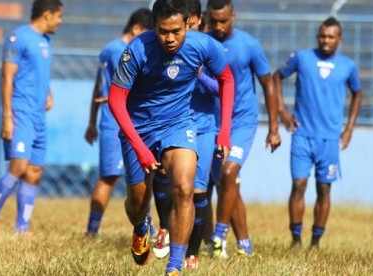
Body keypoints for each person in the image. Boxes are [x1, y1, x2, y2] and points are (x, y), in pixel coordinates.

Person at [107, 0, 235, 274]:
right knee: (137, 205)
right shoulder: (137, 50)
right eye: (163, 31)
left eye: (176, 30)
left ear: (188, 23)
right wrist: (139, 147)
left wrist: (224, 130)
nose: (170, 38)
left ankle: (174, 267)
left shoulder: (203, 46)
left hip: (178, 124)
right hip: (139, 130)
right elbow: (116, 99)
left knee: (184, 188)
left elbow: (226, 79)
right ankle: (142, 227)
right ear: (154, 26)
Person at [273, 16, 362, 249]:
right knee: (299, 185)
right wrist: (282, 110)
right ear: (317, 36)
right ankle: (295, 240)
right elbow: (276, 77)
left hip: (330, 139)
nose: (326, 40)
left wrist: (349, 129)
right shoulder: (302, 58)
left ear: (339, 39)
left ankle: (315, 241)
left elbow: (357, 93)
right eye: (322, 36)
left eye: (331, 37)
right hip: (302, 135)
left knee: (324, 188)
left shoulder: (347, 66)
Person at [0, 0, 63, 237]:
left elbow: (40, 73)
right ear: (47, 15)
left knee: (34, 171)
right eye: (58, 16)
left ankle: (22, 228)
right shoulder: (18, 38)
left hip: (38, 115)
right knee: (19, 166)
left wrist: (48, 93)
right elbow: (7, 77)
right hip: (20, 112)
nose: (60, 21)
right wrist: (7, 116)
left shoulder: (46, 40)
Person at [206, 0, 281, 257]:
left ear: (233, 15)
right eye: (213, 20)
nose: (218, 26)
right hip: (211, 123)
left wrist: (273, 128)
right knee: (227, 182)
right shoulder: (203, 43)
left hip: (242, 121)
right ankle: (245, 244)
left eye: (223, 20)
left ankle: (218, 236)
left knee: (228, 172)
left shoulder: (249, 45)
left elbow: (268, 84)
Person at [150, 0, 221, 269]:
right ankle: (164, 228)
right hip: (170, 124)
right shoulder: (163, 46)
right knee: (162, 178)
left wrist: (200, 75)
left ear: (198, 21)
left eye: (188, 24)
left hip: (202, 126)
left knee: (195, 191)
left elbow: (222, 87)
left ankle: (191, 253)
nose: (179, 33)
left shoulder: (206, 48)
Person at [84, 8, 153, 237]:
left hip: (109, 120)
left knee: (137, 177)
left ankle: (148, 226)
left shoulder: (107, 49)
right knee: (109, 178)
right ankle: (92, 232)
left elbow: (97, 88)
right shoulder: (121, 52)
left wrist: (92, 121)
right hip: (117, 122)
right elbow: (122, 88)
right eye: (146, 33)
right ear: (136, 30)